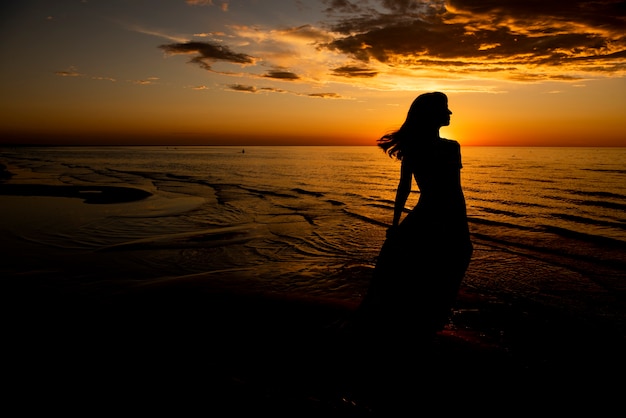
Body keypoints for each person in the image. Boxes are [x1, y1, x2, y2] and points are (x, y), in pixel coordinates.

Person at [351, 92, 473, 348]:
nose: (450, 114)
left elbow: (404, 188)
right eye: (445, 109)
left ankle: (407, 331)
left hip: (421, 219)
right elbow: (453, 192)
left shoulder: (416, 148)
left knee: (414, 277)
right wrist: (462, 229)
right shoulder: (450, 148)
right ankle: (421, 332)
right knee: (439, 275)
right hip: (443, 221)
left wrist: (395, 225)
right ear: (433, 114)